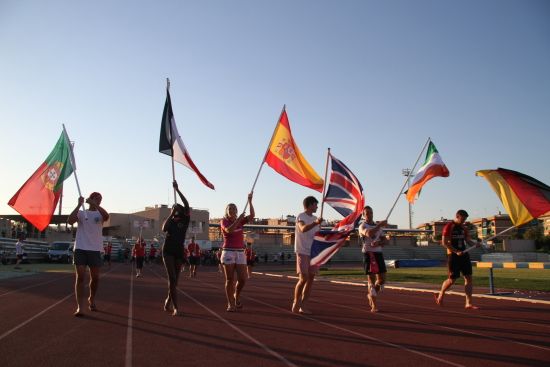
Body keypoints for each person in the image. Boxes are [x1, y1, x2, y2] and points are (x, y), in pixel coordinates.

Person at [67, 192, 109, 317]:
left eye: (100, 199)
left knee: (95, 278)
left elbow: (106, 216)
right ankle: (80, 307)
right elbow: (70, 221)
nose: (99, 201)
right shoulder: (81, 213)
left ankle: (91, 298)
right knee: (80, 277)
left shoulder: (100, 214)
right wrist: (78, 204)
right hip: (80, 247)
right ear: (90, 199)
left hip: (95, 249)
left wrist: (96, 205)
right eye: (96, 199)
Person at [435, 209, 481, 309]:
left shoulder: (464, 228)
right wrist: (455, 251)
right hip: (453, 255)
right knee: (452, 280)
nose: (464, 221)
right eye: (462, 219)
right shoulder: (449, 226)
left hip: (464, 254)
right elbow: (444, 242)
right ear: (457, 216)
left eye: (465, 219)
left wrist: (475, 244)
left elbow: (468, 240)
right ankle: (441, 293)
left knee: (468, 278)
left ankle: (468, 303)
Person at [220, 193, 255, 312]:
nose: (232, 210)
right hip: (228, 252)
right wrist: (239, 219)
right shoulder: (223, 221)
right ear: (227, 211)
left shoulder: (240, 221)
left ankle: (236, 296)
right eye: (230, 208)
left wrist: (250, 201)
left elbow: (252, 216)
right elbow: (229, 230)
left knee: (243, 279)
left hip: (240, 252)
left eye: (234, 208)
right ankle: (230, 303)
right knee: (229, 279)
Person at [161, 181, 190, 316]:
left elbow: (186, 203)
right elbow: (163, 229)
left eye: (178, 207)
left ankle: (168, 300)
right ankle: (176, 307)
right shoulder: (171, 220)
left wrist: (177, 190)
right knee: (172, 278)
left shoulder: (185, 219)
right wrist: (171, 214)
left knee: (175, 281)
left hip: (179, 251)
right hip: (167, 250)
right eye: (175, 207)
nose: (177, 207)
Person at [292, 196, 323, 315]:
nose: (317, 207)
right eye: (316, 204)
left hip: (313, 252)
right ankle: (296, 301)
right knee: (303, 278)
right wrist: (316, 223)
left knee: (311, 279)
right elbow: (303, 229)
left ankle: (303, 305)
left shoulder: (316, 219)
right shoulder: (301, 216)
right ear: (310, 205)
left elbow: (318, 235)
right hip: (302, 251)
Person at [358, 206, 388, 313]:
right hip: (369, 254)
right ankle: (374, 306)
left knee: (382, 280)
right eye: (367, 213)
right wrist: (380, 224)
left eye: (371, 212)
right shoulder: (362, 226)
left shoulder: (378, 227)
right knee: (371, 280)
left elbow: (385, 241)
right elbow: (369, 233)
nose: (369, 215)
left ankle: (371, 294)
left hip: (379, 254)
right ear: (363, 215)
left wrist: (379, 243)